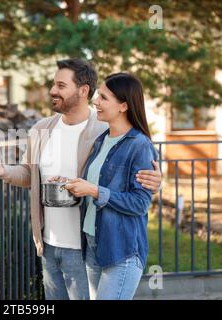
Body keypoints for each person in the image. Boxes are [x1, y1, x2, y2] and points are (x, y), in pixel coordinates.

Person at [0, 59, 162, 300]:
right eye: (53, 84)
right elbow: (29, 173)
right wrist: (3, 170)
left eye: (61, 85)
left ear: (83, 90)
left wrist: (158, 180)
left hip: (88, 245)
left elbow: (137, 172)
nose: (52, 91)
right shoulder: (45, 130)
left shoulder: (103, 129)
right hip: (51, 244)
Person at [64, 73, 158, 299]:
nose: (96, 101)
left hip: (121, 251)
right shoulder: (101, 140)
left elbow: (139, 203)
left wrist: (94, 191)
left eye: (104, 98)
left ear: (123, 105)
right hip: (93, 245)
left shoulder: (139, 146)